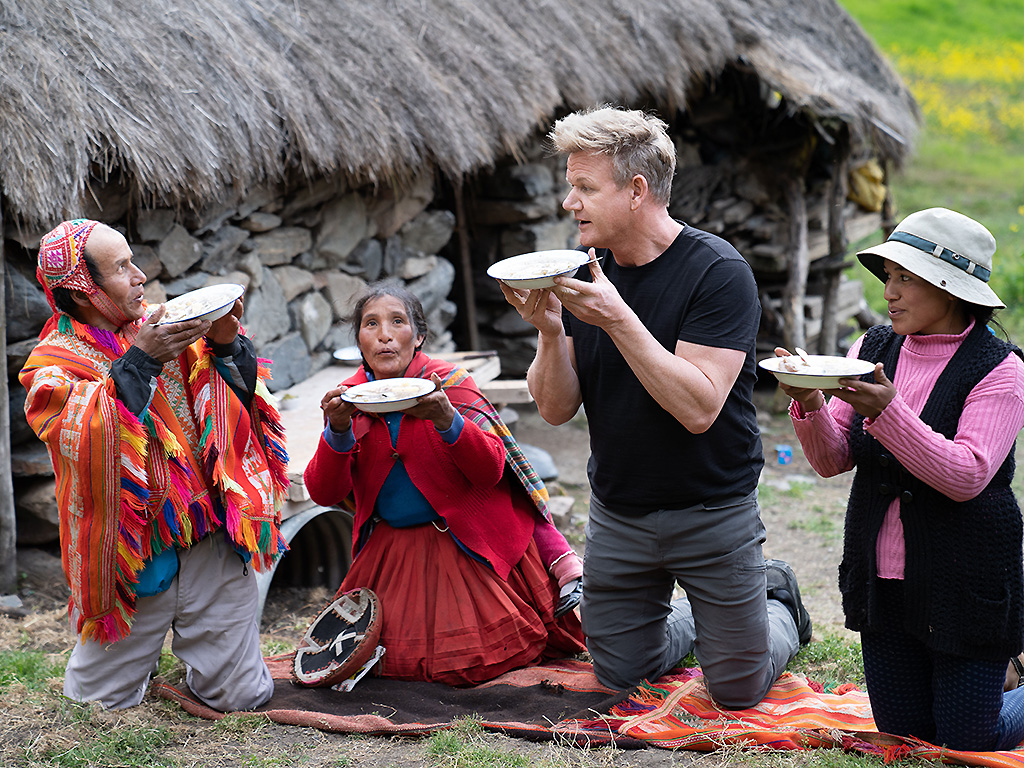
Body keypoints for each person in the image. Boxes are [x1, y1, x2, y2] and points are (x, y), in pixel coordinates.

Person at [497, 105, 811, 705]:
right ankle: (707, 622)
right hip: (620, 511)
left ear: (637, 191)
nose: (569, 203)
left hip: (712, 509)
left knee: (738, 689)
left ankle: (777, 603)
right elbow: (556, 410)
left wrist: (619, 320)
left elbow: (698, 407)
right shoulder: (581, 272)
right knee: (619, 675)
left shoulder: (718, 272)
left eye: (585, 187)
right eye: (570, 186)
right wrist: (549, 332)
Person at [776, 207, 1024, 751]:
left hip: (967, 580)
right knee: (904, 737)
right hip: (882, 579)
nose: (889, 292)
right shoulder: (872, 349)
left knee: (966, 743)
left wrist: (888, 413)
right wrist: (810, 401)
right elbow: (832, 459)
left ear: (950, 289)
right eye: (889, 276)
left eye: (906, 278)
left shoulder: (1000, 368)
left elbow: (967, 475)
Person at [19, 219, 289, 710]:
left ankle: (207, 663)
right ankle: (135, 669)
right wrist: (141, 361)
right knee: (94, 707)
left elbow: (242, 395)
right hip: (132, 555)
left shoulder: (167, 325)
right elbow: (80, 432)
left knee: (243, 698)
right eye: (122, 267)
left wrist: (227, 342)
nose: (140, 276)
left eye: (134, 261)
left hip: (210, 535)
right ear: (82, 292)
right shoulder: (53, 365)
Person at [302, 279, 586, 686]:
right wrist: (338, 431)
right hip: (392, 553)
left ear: (418, 336)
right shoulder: (348, 400)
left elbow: (490, 470)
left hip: (467, 545)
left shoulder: (449, 385)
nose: (384, 335)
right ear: (359, 341)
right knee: (390, 667)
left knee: (477, 661)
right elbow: (324, 492)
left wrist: (447, 420)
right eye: (371, 324)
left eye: (397, 322)